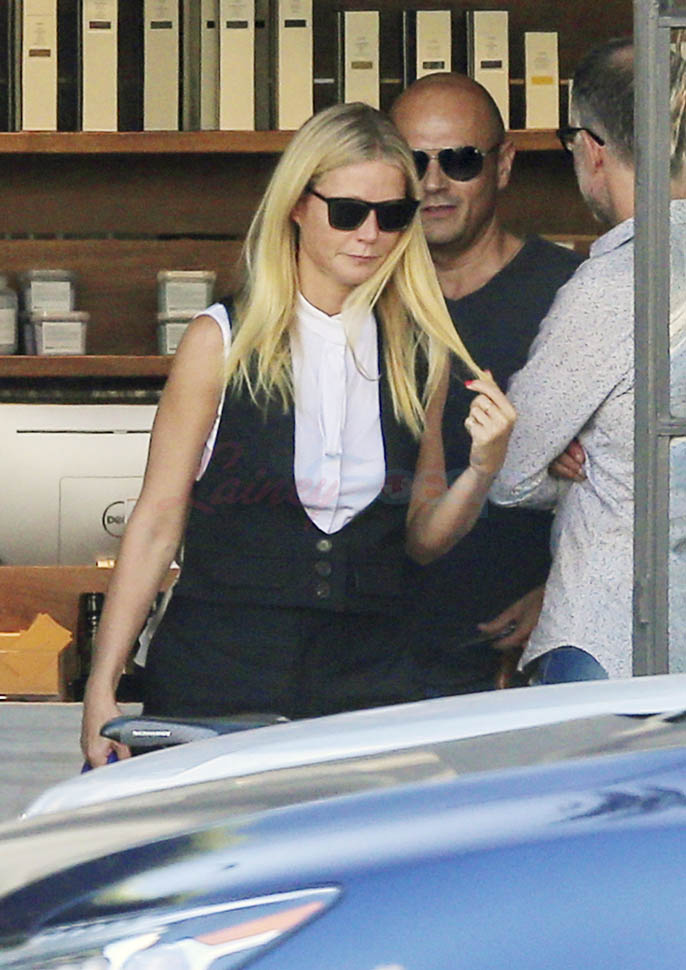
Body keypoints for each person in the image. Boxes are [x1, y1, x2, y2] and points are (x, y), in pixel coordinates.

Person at [81, 101, 515, 766]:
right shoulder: (221, 341)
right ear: (297, 206)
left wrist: (483, 468)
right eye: (348, 212)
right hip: (218, 673)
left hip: (369, 679)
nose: (370, 234)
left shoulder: (416, 353)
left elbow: (422, 537)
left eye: (392, 215)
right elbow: (157, 521)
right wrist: (102, 684)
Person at [487, 37, 686, 682]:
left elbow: (509, 468)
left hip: (616, 633)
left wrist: (576, 463)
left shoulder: (617, 283)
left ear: (592, 148)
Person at [390, 73, 583, 694]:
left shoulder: (572, 295)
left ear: (503, 165)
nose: (433, 182)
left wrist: (561, 596)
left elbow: (639, 482)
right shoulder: (360, 295)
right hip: (369, 653)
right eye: (414, 161)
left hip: (521, 660)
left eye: (460, 160)